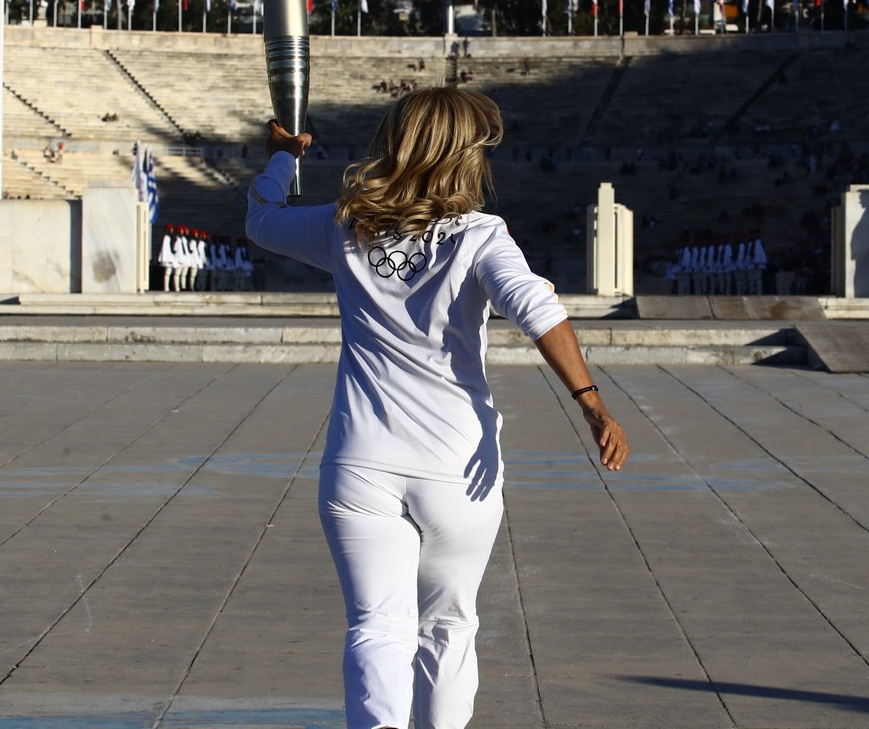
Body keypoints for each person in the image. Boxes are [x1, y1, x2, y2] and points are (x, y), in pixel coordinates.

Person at [246, 87, 629, 729]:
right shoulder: (480, 237)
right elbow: (538, 309)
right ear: (462, 157)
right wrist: (591, 403)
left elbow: (261, 219)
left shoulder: (343, 224)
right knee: (449, 627)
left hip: (360, 463)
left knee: (376, 627)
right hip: (458, 468)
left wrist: (283, 158)